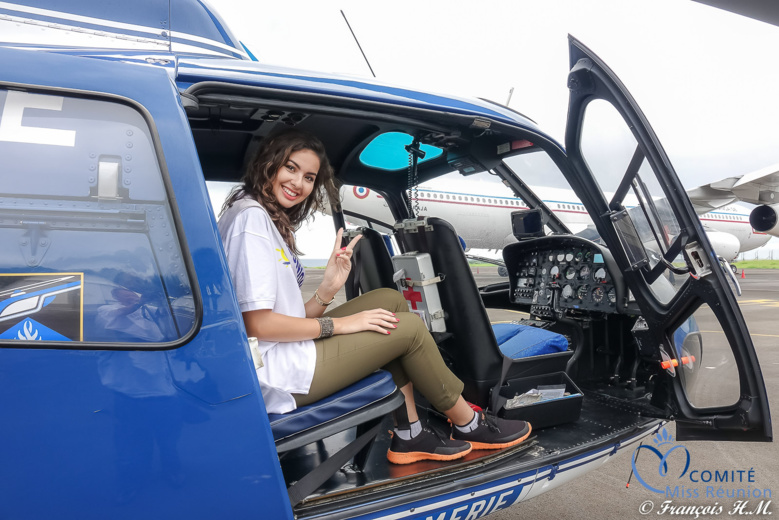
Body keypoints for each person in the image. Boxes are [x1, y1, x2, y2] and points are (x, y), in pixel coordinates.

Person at [218, 128, 531, 464]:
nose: (299, 183)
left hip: (283, 353)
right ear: (269, 164)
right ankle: (468, 423)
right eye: (290, 168)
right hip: (277, 376)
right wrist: (340, 325)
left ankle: (410, 434)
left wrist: (327, 291)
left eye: (309, 177)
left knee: (388, 301)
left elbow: (283, 316)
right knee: (407, 328)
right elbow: (258, 324)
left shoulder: (261, 216)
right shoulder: (251, 221)